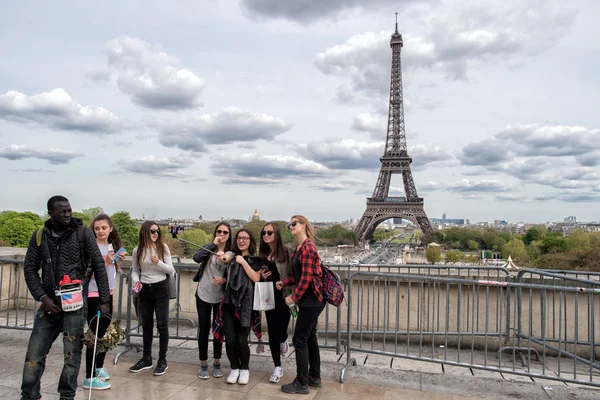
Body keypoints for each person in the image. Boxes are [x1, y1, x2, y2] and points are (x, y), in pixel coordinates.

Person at [21, 195, 110, 400]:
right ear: (51, 212)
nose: (68, 214)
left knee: (72, 356)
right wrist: (43, 297)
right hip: (49, 305)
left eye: (69, 210)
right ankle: (29, 395)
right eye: (62, 211)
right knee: (34, 356)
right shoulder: (39, 236)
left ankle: (67, 395)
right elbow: (30, 269)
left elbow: (99, 265)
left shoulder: (82, 233)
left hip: (75, 306)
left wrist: (104, 301)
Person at [277, 215, 325, 395]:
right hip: (310, 299)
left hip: (311, 299)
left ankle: (302, 382)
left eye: (294, 223)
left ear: (303, 226)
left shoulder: (308, 247)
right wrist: (286, 282)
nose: (290, 226)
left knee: (299, 339)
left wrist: (294, 297)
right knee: (309, 337)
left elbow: (306, 278)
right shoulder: (298, 249)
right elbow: (301, 276)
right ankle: (314, 377)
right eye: (289, 224)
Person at [83, 214, 127, 390]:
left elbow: (111, 270)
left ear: (110, 229)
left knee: (105, 331)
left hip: (108, 292)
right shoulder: (89, 247)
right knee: (95, 333)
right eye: (97, 228)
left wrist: (115, 261)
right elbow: (86, 274)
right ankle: (89, 376)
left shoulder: (110, 246)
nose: (100, 231)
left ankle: (99, 367)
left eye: (103, 228)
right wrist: (105, 262)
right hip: (94, 293)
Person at [128, 221, 174, 376]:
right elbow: (135, 270)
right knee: (146, 324)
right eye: (152, 231)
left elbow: (170, 270)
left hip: (160, 287)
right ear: (145, 232)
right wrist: (136, 281)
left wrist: (158, 262)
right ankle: (146, 358)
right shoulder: (138, 250)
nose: (156, 234)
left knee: (162, 324)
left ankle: (162, 360)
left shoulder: (163, 248)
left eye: (157, 231)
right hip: (144, 288)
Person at [220, 229, 262, 385]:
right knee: (230, 340)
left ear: (251, 241)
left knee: (242, 340)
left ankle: (244, 369)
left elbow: (256, 278)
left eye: (245, 238)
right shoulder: (231, 258)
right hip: (229, 302)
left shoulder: (255, 259)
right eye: (239, 238)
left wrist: (243, 262)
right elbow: (229, 278)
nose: (241, 241)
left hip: (246, 305)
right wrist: (222, 280)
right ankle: (234, 367)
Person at [192, 222, 231, 379]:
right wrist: (213, 244)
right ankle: (203, 363)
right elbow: (196, 257)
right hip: (203, 293)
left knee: (218, 331)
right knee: (203, 329)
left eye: (225, 232)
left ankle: (216, 362)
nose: (222, 234)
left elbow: (232, 269)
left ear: (229, 235)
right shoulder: (210, 248)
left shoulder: (231, 252)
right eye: (219, 231)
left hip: (219, 296)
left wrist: (224, 279)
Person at [258, 222, 292, 383]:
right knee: (272, 331)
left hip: (284, 295)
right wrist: (261, 277)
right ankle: (277, 366)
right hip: (268, 295)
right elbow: (258, 276)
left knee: (280, 330)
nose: (266, 235)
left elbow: (294, 274)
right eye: (264, 233)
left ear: (277, 234)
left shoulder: (287, 252)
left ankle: (284, 338)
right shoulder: (262, 255)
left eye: (269, 232)